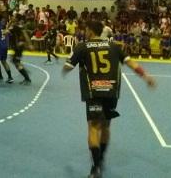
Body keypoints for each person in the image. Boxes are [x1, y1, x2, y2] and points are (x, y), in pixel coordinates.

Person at [62, 20, 155, 178]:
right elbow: (131, 63)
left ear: (91, 31)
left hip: (94, 93)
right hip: (111, 93)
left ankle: (96, 167)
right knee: (105, 127)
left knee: (93, 127)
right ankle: (102, 159)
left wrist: (68, 65)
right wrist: (145, 76)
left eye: (86, 30)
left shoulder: (82, 47)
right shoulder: (114, 47)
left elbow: (68, 67)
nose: (84, 32)